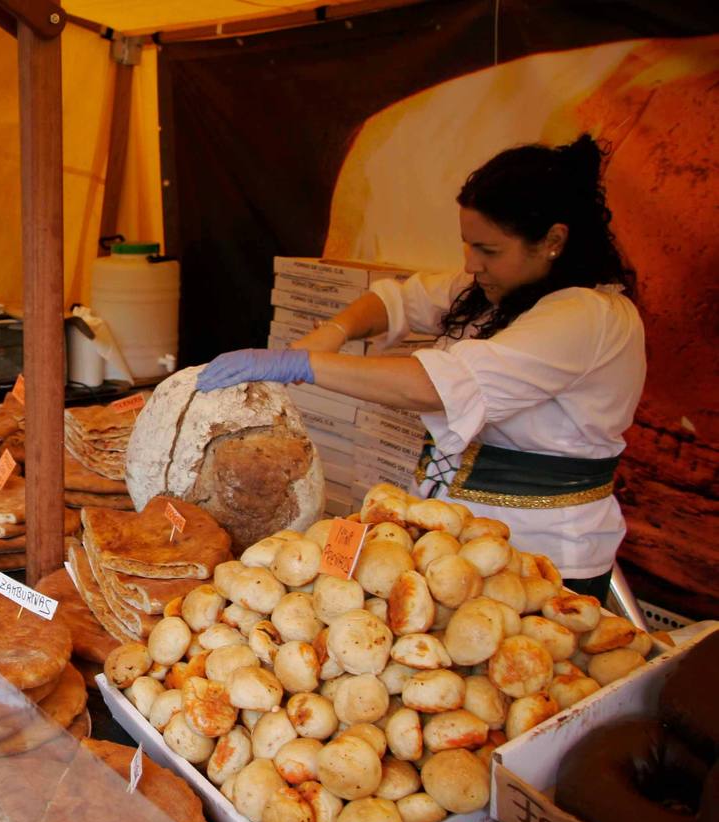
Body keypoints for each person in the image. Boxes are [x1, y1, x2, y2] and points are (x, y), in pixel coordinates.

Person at [198, 135, 644, 600]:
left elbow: (431, 387)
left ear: (553, 240)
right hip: (452, 543)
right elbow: (398, 301)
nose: (472, 265)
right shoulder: (494, 294)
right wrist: (336, 329)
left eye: (488, 251)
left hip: (542, 554)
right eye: (467, 246)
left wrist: (303, 364)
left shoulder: (587, 316)